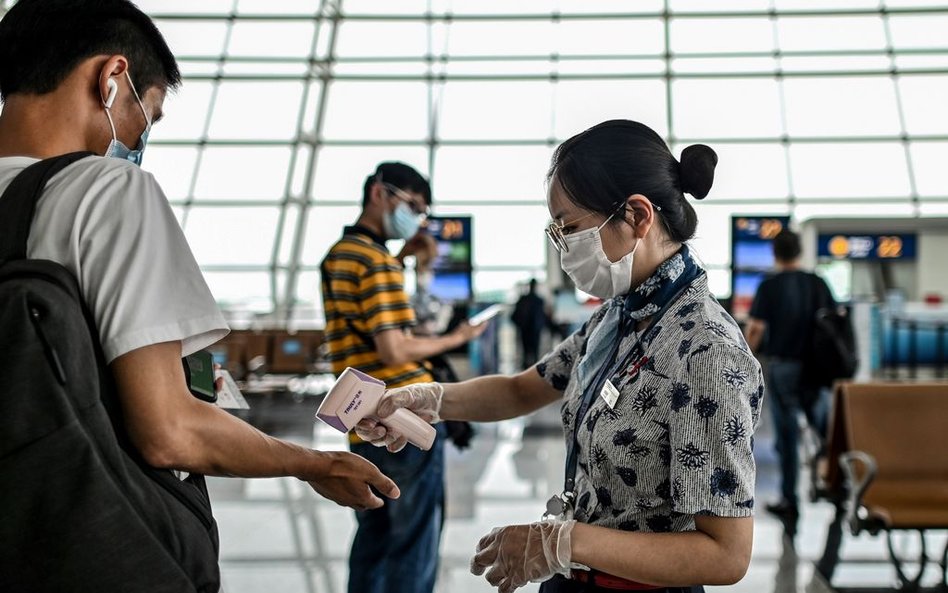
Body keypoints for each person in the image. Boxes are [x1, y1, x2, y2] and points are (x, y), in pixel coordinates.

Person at [0, 0, 398, 560]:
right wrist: (311, 462)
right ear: (111, 78)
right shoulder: (106, 191)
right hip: (87, 543)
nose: (140, 136)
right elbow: (169, 432)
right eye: (149, 113)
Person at [357, 120, 765, 593]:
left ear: (636, 215)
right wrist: (429, 400)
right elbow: (520, 389)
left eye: (569, 228)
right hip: (578, 575)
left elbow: (725, 554)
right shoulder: (622, 317)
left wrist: (566, 543)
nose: (564, 247)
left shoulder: (703, 349)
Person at [319, 162, 485, 593]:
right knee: (414, 537)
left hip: (357, 412)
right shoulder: (377, 263)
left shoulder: (340, 255)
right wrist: (456, 338)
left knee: (373, 530)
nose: (415, 217)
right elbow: (395, 347)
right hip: (401, 412)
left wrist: (405, 261)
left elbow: (369, 318)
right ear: (380, 193)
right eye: (412, 205)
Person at [743, 229, 834, 529]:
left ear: (775, 254)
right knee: (826, 429)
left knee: (788, 435)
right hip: (816, 368)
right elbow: (833, 323)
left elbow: (755, 329)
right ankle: (840, 484)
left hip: (784, 367)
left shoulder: (770, 286)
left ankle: (790, 500)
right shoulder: (817, 283)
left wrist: (742, 359)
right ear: (800, 252)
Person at [511, 278, 551, 369]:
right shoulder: (539, 300)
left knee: (525, 351)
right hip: (535, 330)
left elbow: (515, 315)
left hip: (525, 329)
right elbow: (543, 316)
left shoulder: (523, 299)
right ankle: (533, 370)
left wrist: (519, 325)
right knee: (535, 351)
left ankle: (525, 369)